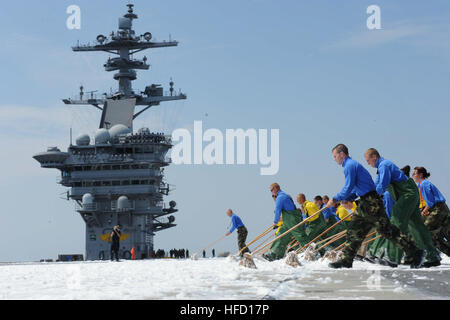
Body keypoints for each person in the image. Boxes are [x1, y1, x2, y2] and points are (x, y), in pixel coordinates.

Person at [326, 144, 424, 269]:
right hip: (365, 202)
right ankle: (346, 260)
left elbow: (348, 187)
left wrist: (335, 199)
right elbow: (357, 189)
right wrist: (348, 198)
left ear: (341, 154)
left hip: (371, 203)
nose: (334, 159)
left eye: (335, 156)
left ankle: (415, 251)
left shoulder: (349, 166)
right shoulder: (351, 165)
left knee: (387, 230)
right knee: (354, 231)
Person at [364, 148, 440, 267]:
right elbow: (376, 186)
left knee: (396, 221)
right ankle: (431, 256)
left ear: (374, 157)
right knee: (417, 225)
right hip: (409, 194)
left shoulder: (384, 165)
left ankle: (392, 257)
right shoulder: (381, 168)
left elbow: (382, 184)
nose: (368, 163)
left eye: (368, 160)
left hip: (406, 195)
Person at [263, 183, 309, 261]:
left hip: (292, 220)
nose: (271, 192)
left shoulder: (280, 197)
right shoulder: (283, 195)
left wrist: (275, 222)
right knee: (281, 236)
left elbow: (278, 210)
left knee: (300, 236)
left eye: (271, 190)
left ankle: (312, 252)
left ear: (276, 188)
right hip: (287, 221)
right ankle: (274, 254)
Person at [413, 167, 450, 256]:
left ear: (420, 175)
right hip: (442, 209)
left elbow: (430, 202)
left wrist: (424, 211)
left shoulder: (423, 185)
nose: (413, 176)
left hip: (438, 209)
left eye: (414, 174)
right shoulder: (422, 184)